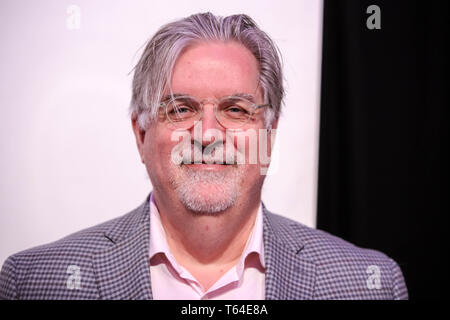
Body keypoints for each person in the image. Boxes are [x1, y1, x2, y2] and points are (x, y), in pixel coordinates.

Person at [0, 12, 408, 300]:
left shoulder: (366, 286)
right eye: (181, 109)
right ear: (141, 133)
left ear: (270, 134)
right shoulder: (34, 283)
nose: (209, 134)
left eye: (236, 109)